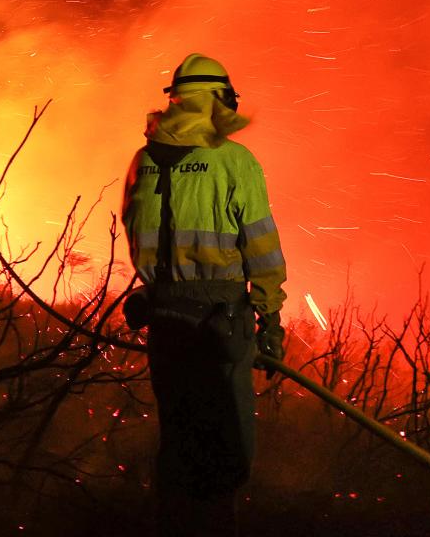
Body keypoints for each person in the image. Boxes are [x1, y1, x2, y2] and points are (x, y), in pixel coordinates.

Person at [121, 53, 288, 536]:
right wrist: (270, 318)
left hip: (166, 316)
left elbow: (135, 235)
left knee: (178, 435)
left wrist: (162, 288)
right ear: (217, 100)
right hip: (222, 317)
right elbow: (261, 245)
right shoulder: (234, 160)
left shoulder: (143, 160)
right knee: (228, 441)